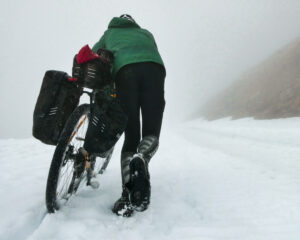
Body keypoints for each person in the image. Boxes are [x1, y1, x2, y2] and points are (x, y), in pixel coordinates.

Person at [92, 14, 166, 217]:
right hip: (154, 70)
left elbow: (93, 55)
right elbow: (152, 53)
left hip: (125, 73)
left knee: (131, 137)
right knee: (151, 132)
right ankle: (142, 157)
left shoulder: (110, 33)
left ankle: (127, 197)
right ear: (133, 23)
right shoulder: (145, 33)